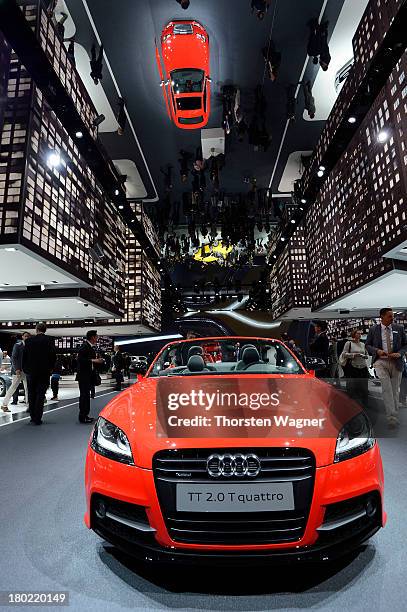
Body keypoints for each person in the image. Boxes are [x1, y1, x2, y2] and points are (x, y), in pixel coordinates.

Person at [365, 308, 407, 428]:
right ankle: (391, 418)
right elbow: (367, 345)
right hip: (380, 362)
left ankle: (394, 415)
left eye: (392, 316)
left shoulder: (399, 328)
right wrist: (377, 351)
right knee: (386, 389)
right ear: (382, 317)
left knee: (395, 390)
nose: (392, 318)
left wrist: (400, 353)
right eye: (389, 316)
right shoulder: (374, 329)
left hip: (396, 362)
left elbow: (405, 344)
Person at [22, 323, 56, 425]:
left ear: (36, 330)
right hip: (44, 372)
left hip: (31, 372)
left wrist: (25, 369)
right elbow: (53, 356)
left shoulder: (28, 341)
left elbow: (25, 357)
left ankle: (32, 416)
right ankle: (38, 418)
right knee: (40, 395)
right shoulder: (49, 340)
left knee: (31, 394)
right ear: (45, 330)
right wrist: (50, 368)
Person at [76, 330, 104, 424]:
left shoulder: (89, 347)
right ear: (92, 337)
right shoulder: (84, 347)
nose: (97, 338)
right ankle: (83, 416)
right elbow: (80, 360)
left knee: (86, 396)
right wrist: (94, 360)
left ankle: (84, 415)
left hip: (87, 376)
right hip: (84, 376)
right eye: (96, 336)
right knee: (84, 396)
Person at [339, 329, 369, 408]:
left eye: (360, 333)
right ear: (354, 334)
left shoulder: (362, 344)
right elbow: (344, 354)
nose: (360, 335)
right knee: (352, 387)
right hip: (353, 367)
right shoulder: (349, 343)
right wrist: (354, 355)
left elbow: (366, 354)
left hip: (363, 367)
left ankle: (364, 405)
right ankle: (352, 405)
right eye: (358, 333)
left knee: (364, 387)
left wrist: (365, 356)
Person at [1, 333, 30, 412]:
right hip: (18, 371)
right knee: (13, 387)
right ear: (22, 337)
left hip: (26, 371)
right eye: (25, 336)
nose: (27, 337)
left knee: (27, 388)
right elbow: (14, 358)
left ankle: (29, 406)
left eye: (28, 336)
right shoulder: (17, 345)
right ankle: (4, 405)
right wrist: (17, 369)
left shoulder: (30, 346)